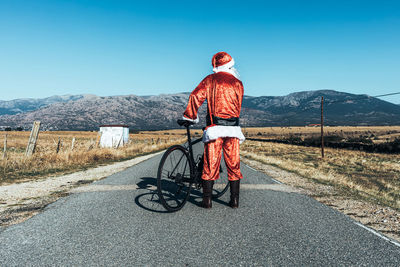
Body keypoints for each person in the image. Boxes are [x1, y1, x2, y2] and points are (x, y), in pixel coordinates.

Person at [182, 51, 245, 209]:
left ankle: (207, 200)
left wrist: (190, 116)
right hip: (233, 129)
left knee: (211, 164)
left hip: (215, 128)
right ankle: (234, 200)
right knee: (233, 164)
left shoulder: (210, 80)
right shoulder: (238, 83)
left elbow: (196, 96)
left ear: (215, 65)